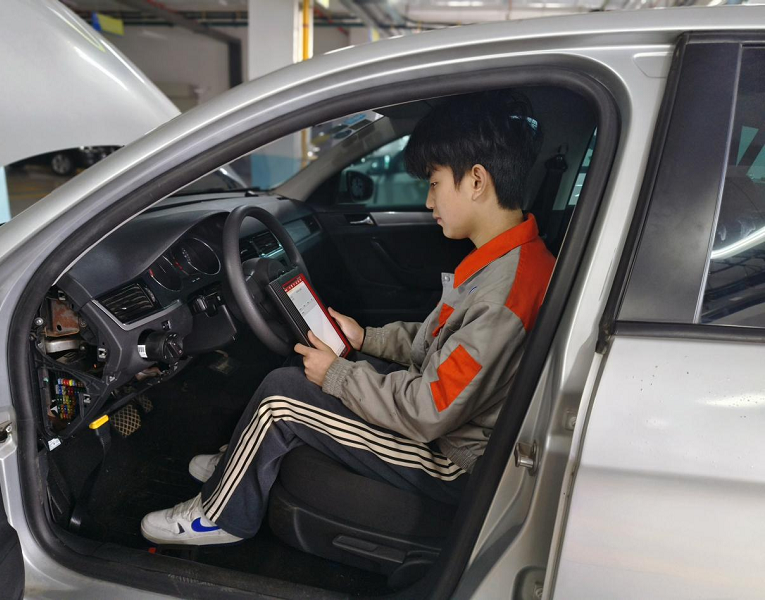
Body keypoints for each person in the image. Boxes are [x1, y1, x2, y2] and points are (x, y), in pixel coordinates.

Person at [140, 91, 555, 546]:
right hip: (454, 425)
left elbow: (428, 410)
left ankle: (218, 517)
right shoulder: (508, 263)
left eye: (434, 183)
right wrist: (365, 338)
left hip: (453, 459)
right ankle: (239, 461)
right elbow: (440, 342)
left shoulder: (504, 296)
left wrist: (338, 374)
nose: (428, 201)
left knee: (282, 396)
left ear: (476, 180)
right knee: (308, 364)